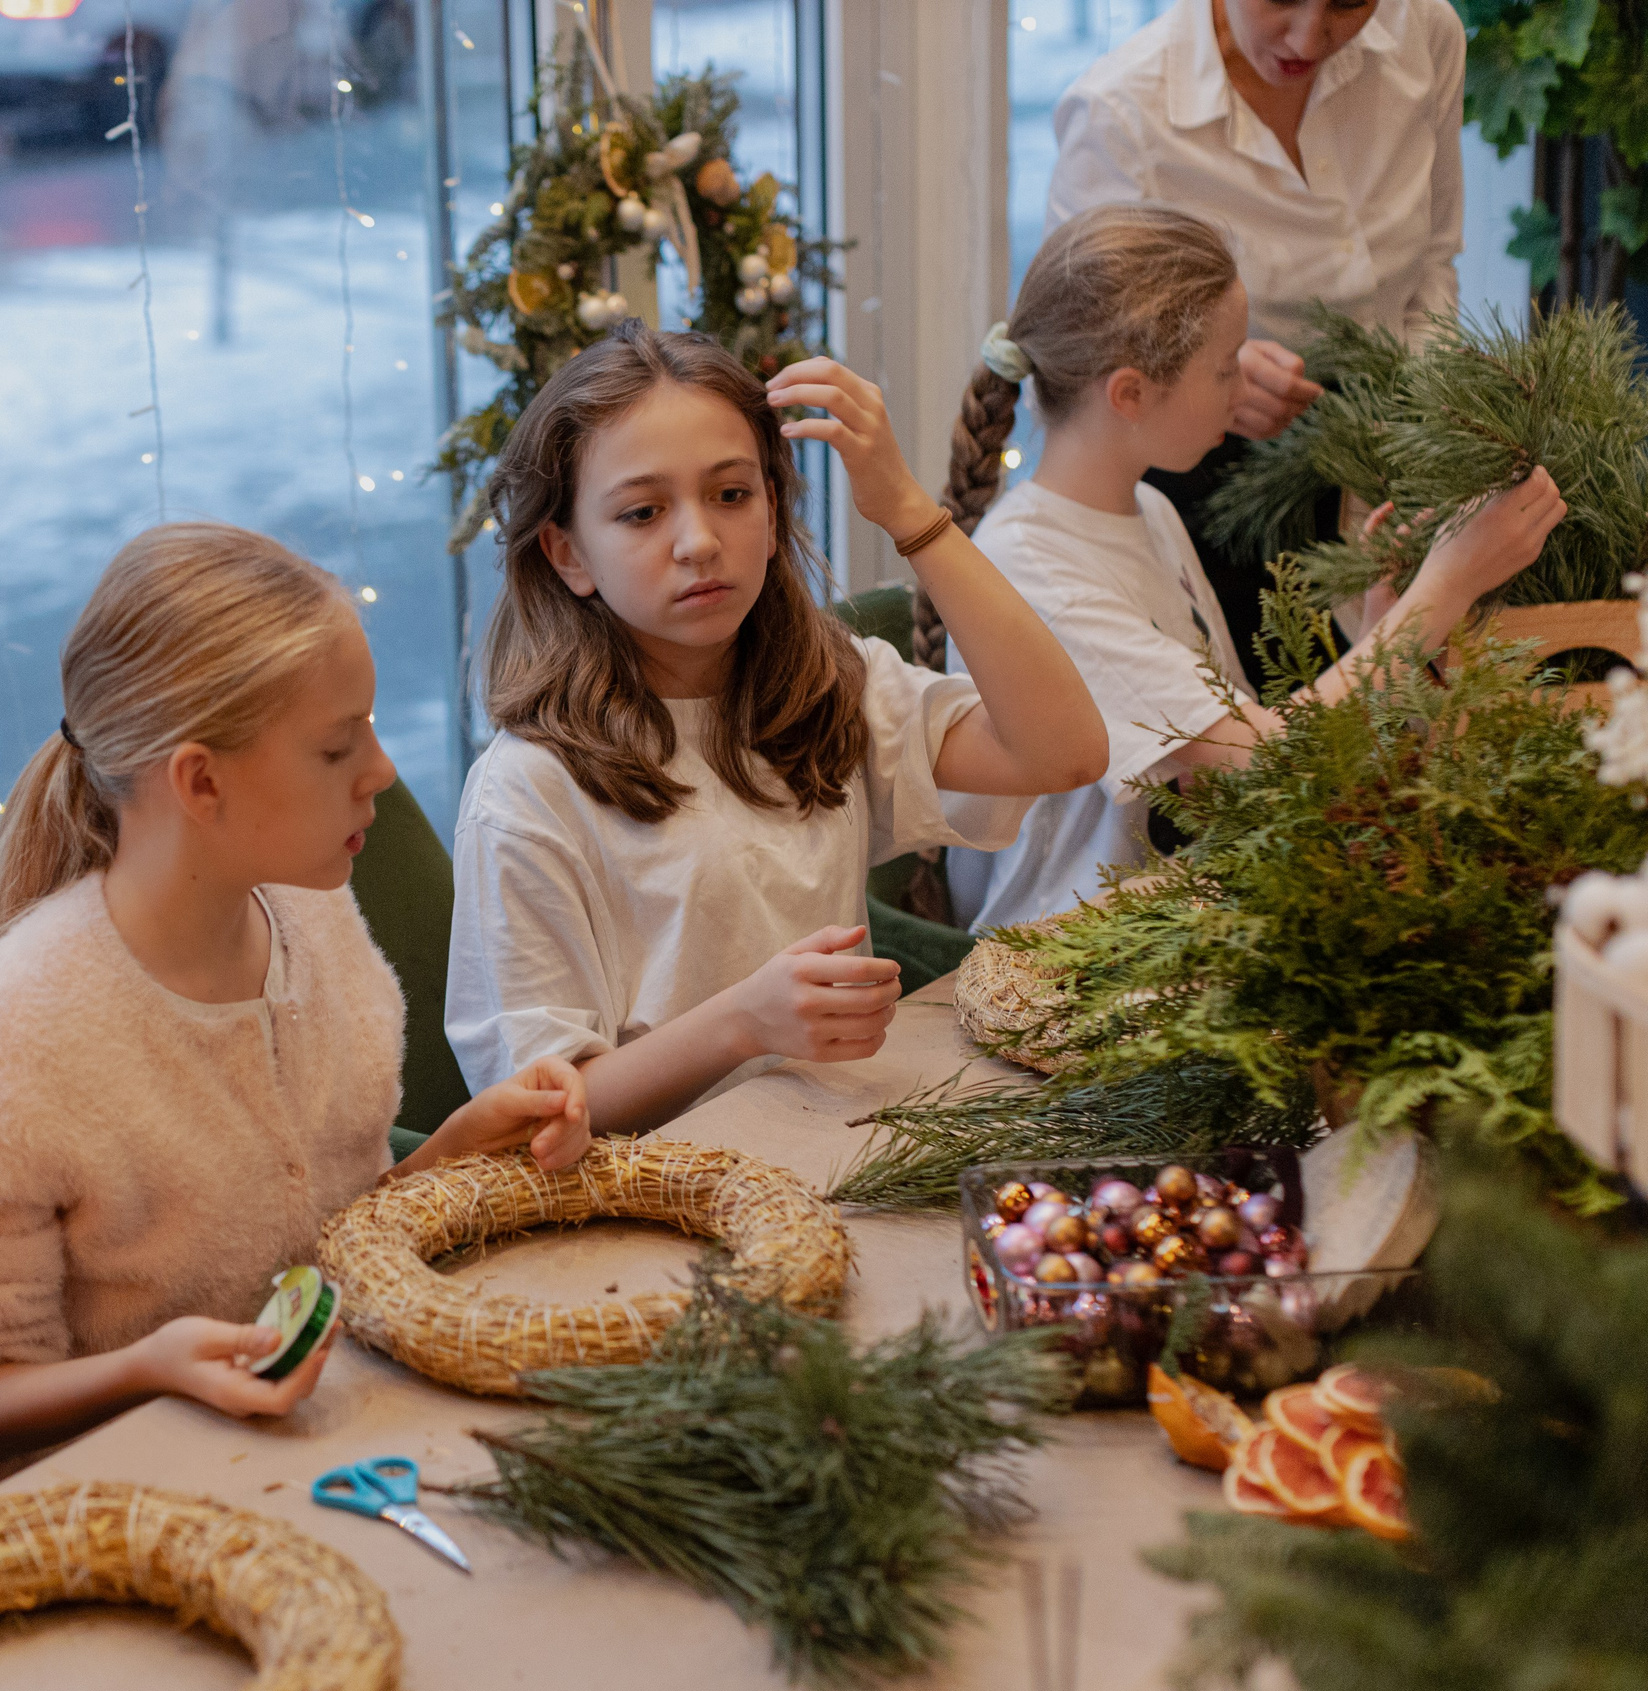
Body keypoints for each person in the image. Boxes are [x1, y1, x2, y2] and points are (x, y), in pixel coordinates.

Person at [0, 522, 591, 1506]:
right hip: (71, 1518)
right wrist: (148, 1368)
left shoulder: (310, 909)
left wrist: (456, 1147)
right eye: (339, 745)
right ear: (199, 780)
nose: (380, 770)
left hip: (283, 1449)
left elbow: (317, 1242)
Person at [442, 322, 1108, 1135]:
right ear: (567, 553)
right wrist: (742, 1023)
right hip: (648, 1211)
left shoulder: (830, 686)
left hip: (832, 1149)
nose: (698, 542)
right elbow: (532, 1120)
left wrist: (908, 512)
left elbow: (1065, 750)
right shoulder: (528, 789)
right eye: (643, 512)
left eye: (732, 494)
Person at [939, 202, 1565, 931]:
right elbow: (1265, 762)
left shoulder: (1151, 512)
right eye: (1225, 367)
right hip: (1066, 956)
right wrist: (1447, 588)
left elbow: (1243, 770)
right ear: (1130, 393)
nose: (1244, 390)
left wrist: (1384, 627)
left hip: (1184, 920)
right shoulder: (1029, 567)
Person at [1046, 0, 1469, 682]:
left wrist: (1430, 429)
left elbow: (1433, 266)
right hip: (1213, 496)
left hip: (1392, 473)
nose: (1310, 36)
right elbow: (1081, 357)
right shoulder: (1122, 112)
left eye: (1349, 4)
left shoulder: (1427, 36)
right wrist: (1214, 372)